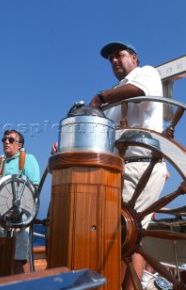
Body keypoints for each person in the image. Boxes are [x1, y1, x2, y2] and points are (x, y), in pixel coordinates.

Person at [90, 41, 167, 290]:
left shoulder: (147, 73)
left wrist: (101, 98)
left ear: (134, 58)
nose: (114, 60)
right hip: (120, 170)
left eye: (119, 55)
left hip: (141, 166)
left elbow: (139, 91)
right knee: (131, 237)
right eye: (110, 58)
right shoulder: (115, 91)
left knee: (123, 234)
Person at [0, 129, 40, 275]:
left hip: (19, 217)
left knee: (18, 258)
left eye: (11, 140)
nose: (6, 142)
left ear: (20, 145)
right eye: (4, 139)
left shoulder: (28, 159)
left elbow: (34, 187)